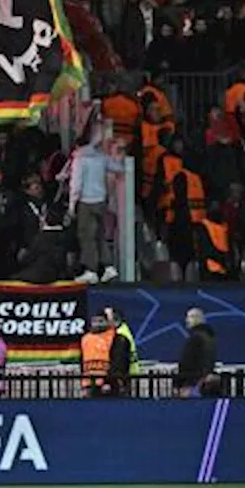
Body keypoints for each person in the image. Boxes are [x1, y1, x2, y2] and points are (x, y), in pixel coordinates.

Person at [68, 130, 124, 283]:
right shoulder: (101, 158)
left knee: (87, 237)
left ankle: (91, 270)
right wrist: (118, 153)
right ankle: (108, 267)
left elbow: (76, 184)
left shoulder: (80, 159)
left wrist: (72, 205)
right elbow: (119, 168)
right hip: (101, 201)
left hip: (86, 202)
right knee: (100, 235)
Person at [176, 308, 218, 398]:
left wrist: (181, 384)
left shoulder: (195, 338)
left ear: (198, 318)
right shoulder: (210, 337)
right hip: (204, 382)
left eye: (190, 317)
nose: (187, 320)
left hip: (193, 384)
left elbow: (187, 362)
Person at [79, 314, 120, 397]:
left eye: (101, 321)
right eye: (94, 321)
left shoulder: (110, 336)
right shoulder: (85, 338)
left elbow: (116, 361)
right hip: (88, 383)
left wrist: (109, 382)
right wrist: (83, 385)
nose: (97, 324)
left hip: (106, 383)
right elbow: (82, 360)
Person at [105, 307, 140, 377]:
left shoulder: (120, 335)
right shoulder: (124, 329)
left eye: (106, 319)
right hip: (130, 373)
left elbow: (119, 360)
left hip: (124, 375)